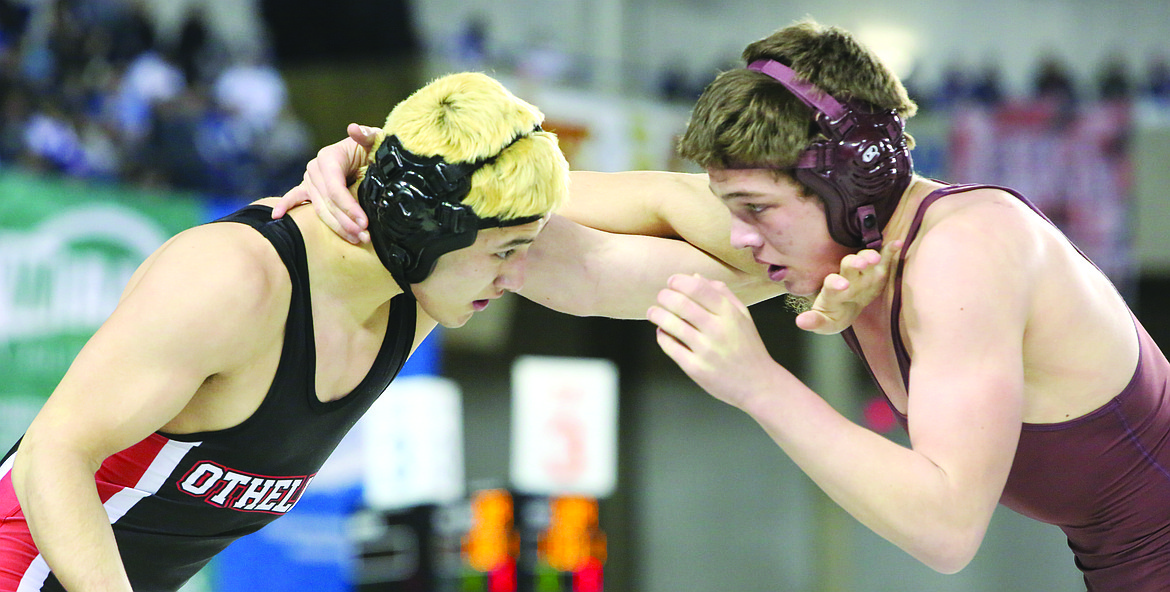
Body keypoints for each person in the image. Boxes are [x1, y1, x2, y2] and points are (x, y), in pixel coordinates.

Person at [286, 20, 1170, 592]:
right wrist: (387, 174)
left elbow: (944, 529)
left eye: (756, 212)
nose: (740, 238)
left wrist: (760, 384)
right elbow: (562, 241)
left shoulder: (966, 254)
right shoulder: (833, 241)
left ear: (851, 183)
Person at [0, 69, 887, 591]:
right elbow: (52, 457)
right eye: (505, 254)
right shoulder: (233, 279)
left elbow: (681, 228)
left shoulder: (426, 275)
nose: (517, 277)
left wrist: (822, 255)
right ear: (430, 230)